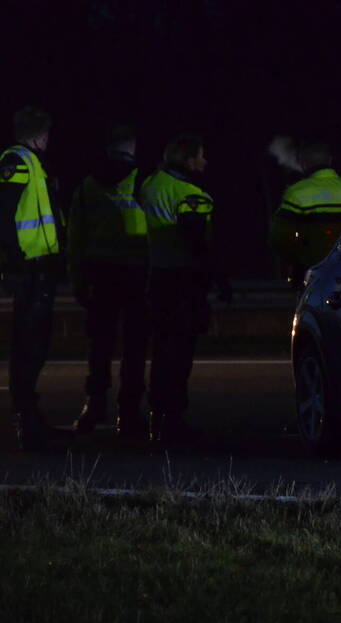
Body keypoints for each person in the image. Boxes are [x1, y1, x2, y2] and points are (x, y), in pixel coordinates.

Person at [138, 134, 231, 444]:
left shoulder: (152, 184)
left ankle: (158, 417)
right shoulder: (190, 194)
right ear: (189, 161)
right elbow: (198, 243)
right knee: (179, 353)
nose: (205, 162)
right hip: (183, 282)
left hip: (157, 276)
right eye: (201, 156)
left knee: (162, 350)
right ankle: (173, 420)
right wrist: (219, 280)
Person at [67, 123, 149, 437]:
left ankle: (94, 404)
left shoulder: (87, 186)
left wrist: (77, 278)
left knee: (100, 344)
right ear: (132, 147)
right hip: (137, 274)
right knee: (135, 346)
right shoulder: (142, 181)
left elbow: (75, 237)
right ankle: (128, 412)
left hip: (99, 273)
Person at [0, 106, 65, 451]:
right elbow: (4, 214)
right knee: (28, 346)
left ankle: (30, 418)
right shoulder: (19, 161)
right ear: (41, 134)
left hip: (39, 266)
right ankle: (27, 422)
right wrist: (16, 261)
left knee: (33, 345)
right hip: (30, 268)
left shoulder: (31, 162)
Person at [269, 140, 341, 288]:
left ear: (303, 164)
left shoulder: (297, 193)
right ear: (330, 160)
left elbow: (279, 239)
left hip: (312, 277)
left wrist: (296, 261)